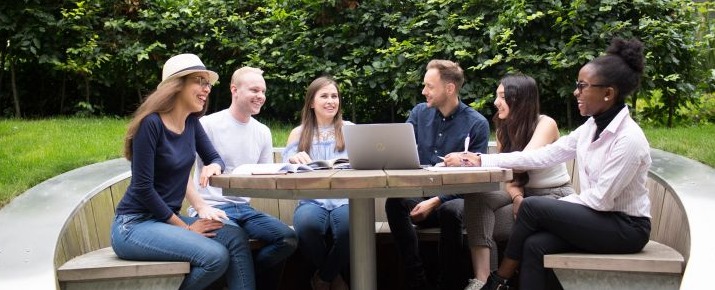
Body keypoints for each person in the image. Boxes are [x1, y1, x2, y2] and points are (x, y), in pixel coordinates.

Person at [445, 38, 651, 290]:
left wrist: (544, 209)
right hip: (598, 218)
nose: (576, 92)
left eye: (583, 86)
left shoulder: (628, 139)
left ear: (608, 93)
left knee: (531, 208)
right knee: (535, 245)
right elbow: (541, 156)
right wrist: (478, 160)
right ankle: (498, 281)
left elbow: (601, 200)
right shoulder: (590, 128)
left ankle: (498, 282)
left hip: (625, 228)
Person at [111, 53, 255, 289]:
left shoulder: (191, 123)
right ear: (176, 86)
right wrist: (187, 229)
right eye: (199, 81)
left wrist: (213, 166)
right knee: (215, 256)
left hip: (165, 222)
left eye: (207, 83)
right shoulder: (151, 124)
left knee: (235, 237)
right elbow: (142, 189)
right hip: (134, 225)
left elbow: (214, 158)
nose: (206, 88)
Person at [462, 75, 575, 290]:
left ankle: (500, 281)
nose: (496, 102)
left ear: (521, 100)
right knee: (477, 198)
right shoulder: (504, 128)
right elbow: (510, 176)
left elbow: (525, 161)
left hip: (555, 196)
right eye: (497, 96)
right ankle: (483, 280)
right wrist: (517, 197)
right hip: (525, 195)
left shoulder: (546, 123)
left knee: (489, 225)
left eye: (503, 97)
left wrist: (474, 159)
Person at [386, 59, 490, 290]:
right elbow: (399, 151)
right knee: (394, 203)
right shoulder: (419, 114)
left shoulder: (477, 124)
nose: (424, 91)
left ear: (449, 88)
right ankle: (416, 280)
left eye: (429, 86)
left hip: (456, 200)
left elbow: (477, 181)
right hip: (420, 197)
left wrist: (436, 200)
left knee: (450, 211)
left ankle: (449, 284)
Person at [191, 66, 297, 290]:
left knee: (288, 238)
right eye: (254, 90)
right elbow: (180, 168)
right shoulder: (207, 125)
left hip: (244, 209)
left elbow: (265, 178)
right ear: (234, 90)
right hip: (212, 207)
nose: (260, 96)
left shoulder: (262, 132)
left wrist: (290, 168)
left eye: (263, 91)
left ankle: (240, 279)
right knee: (236, 237)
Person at [283, 76, 352, 290]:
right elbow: (285, 170)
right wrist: (292, 160)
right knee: (307, 227)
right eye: (324, 96)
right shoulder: (298, 132)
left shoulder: (350, 129)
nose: (331, 100)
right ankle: (335, 277)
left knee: (348, 230)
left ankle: (322, 278)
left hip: (345, 199)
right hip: (311, 200)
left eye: (334, 96)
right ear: (311, 102)